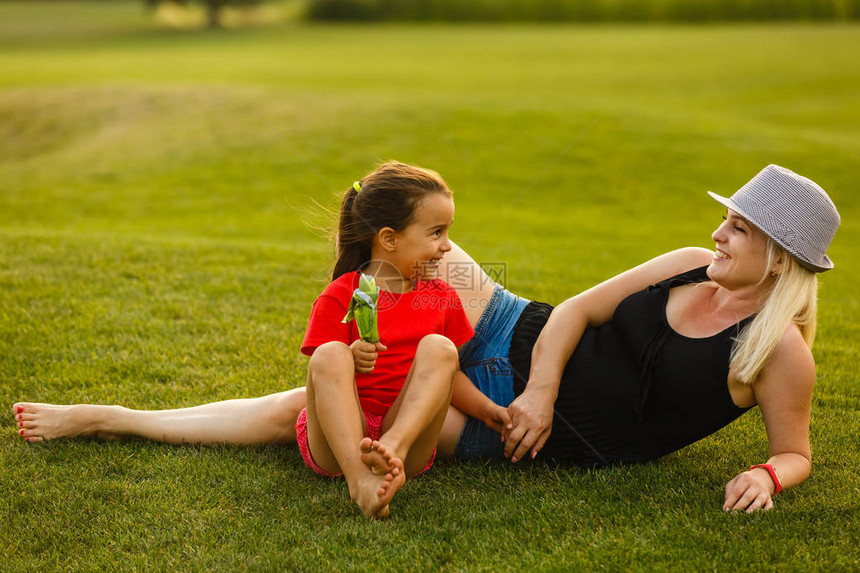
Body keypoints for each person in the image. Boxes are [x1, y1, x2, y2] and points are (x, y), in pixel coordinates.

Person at [13, 164, 840, 515]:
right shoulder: (688, 263)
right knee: (422, 238)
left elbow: (795, 448)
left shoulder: (776, 353)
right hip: (517, 329)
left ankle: (111, 415)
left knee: (293, 411)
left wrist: (769, 473)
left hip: (499, 422)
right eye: (728, 216)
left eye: (741, 225)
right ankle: (354, 308)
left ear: (782, 255)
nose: (720, 230)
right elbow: (580, 312)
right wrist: (544, 386)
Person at [291, 161, 475, 518]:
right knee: (330, 353)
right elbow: (322, 374)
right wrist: (350, 354)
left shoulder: (443, 298)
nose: (448, 246)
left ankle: (392, 449)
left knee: (441, 348)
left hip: (406, 438)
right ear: (389, 238)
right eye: (436, 233)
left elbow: (449, 376)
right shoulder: (340, 294)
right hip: (338, 442)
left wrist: (491, 412)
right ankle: (360, 480)